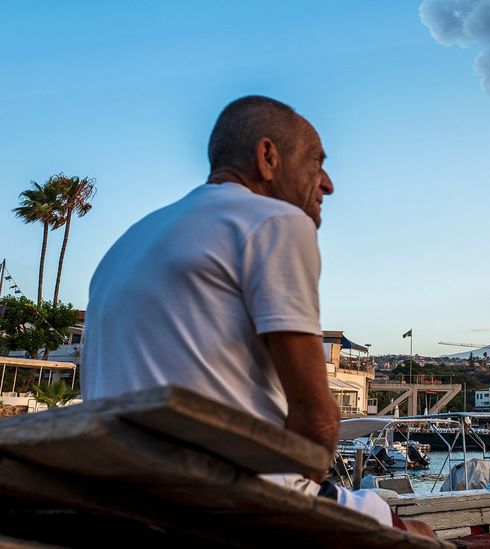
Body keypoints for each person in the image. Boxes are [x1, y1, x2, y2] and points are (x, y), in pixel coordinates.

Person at [81, 95, 432, 538]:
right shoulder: (273, 221)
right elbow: (317, 418)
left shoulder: (130, 240)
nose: (327, 183)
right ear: (267, 158)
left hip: (122, 496)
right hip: (228, 498)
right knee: (417, 533)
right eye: (315, 162)